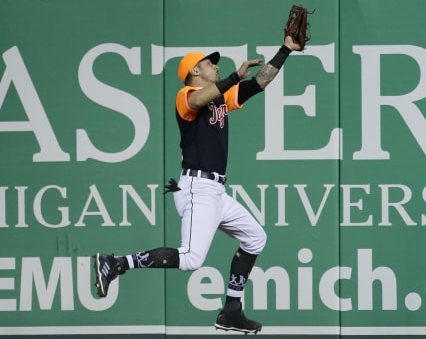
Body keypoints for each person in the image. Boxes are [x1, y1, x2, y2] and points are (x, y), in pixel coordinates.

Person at [93, 35, 302, 334]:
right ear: (194, 72)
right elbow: (196, 101)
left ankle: (232, 309)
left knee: (255, 237)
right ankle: (115, 263)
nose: (215, 66)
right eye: (208, 63)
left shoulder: (221, 98)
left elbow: (260, 83)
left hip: (216, 191)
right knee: (191, 258)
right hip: (196, 188)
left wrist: (285, 50)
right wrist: (232, 77)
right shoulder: (186, 95)